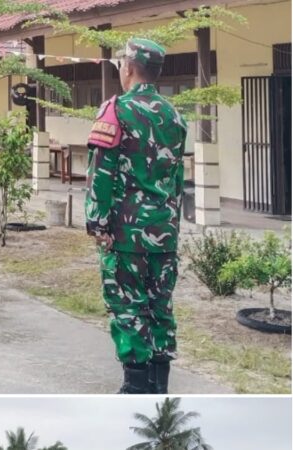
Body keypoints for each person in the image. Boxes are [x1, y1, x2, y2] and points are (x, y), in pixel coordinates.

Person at [85, 38, 188, 394]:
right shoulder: (175, 115)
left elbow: (101, 172)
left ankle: (135, 388)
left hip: (126, 232)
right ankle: (159, 389)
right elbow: (177, 178)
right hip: (164, 229)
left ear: (128, 67)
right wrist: (171, 223)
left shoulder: (116, 110)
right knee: (161, 306)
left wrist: (97, 222)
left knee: (128, 306)